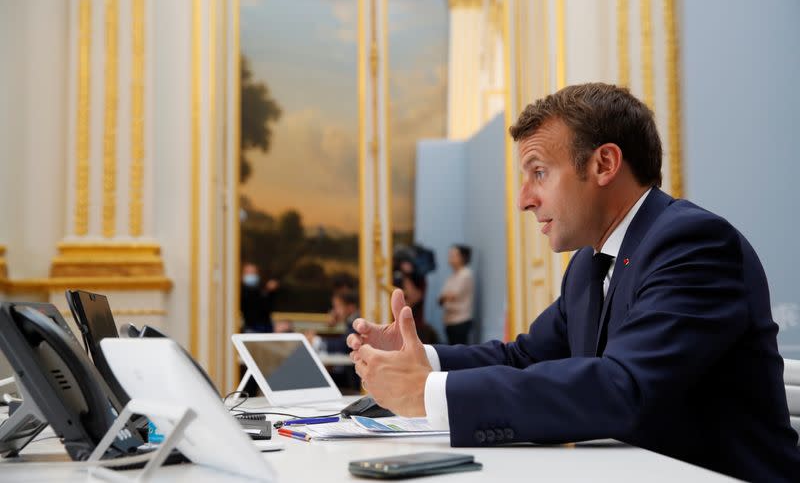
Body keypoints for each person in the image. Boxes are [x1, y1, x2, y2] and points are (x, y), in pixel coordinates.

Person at [347, 83, 800, 481]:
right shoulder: (589, 264)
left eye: (539, 172)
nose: (525, 199)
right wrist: (419, 358)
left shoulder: (694, 244)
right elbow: (524, 357)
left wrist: (427, 392)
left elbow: (624, 387)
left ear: (604, 164)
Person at [438, 245, 475, 344]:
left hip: (461, 321)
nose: (450, 257)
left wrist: (444, 297)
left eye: (453, 255)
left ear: (463, 257)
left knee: (460, 353)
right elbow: (441, 299)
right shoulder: (452, 275)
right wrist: (444, 297)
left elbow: (451, 296)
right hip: (450, 320)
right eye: (450, 255)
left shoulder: (465, 274)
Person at [240, 262, 278, 333]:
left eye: (253, 272)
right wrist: (267, 291)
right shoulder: (239, 291)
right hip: (251, 328)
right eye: (248, 272)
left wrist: (270, 293)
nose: (251, 275)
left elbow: (267, 308)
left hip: (266, 328)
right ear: (242, 275)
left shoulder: (261, 289)